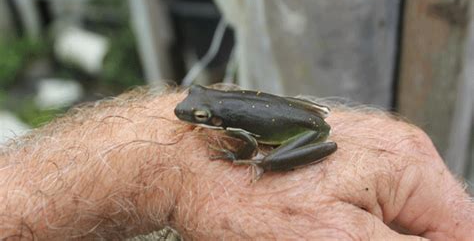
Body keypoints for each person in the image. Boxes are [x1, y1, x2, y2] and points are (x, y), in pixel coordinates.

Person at [0, 87, 472, 240]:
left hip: (306, 132)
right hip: (303, 113)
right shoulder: (213, 106)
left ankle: (272, 170)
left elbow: (246, 142)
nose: (190, 116)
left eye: (199, 116)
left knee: (264, 162)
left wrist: (251, 161)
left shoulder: (230, 123)